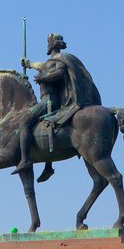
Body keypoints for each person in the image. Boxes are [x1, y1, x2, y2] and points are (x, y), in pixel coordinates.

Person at [14, 34, 102, 179]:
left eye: (48, 43)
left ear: (52, 45)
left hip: (48, 101)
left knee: (24, 122)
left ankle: (25, 160)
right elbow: (39, 66)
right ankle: (48, 166)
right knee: (44, 124)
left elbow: (59, 73)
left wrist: (43, 78)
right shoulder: (50, 62)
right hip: (52, 101)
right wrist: (28, 64)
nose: (47, 45)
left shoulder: (59, 60)